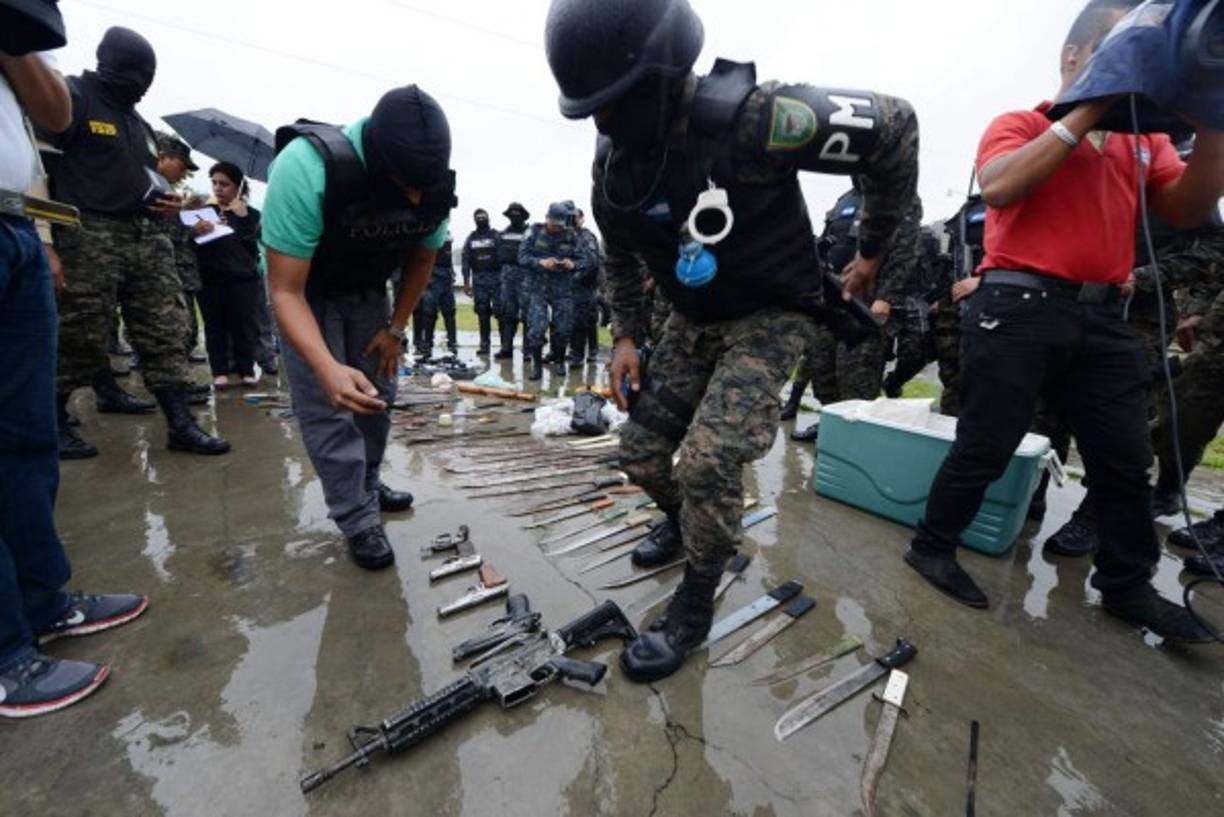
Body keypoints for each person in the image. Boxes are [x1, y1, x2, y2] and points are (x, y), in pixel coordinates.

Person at [545, 0, 919, 681]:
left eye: (617, 103)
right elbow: (619, 253)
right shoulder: (617, 168)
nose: (604, 121)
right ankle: (691, 526)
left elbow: (896, 129)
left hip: (771, 314)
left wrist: (870, 250)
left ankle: (696, 598)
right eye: (593, 109)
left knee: (709, 462)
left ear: (663, 74)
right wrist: (624, 335)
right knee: (640, 452)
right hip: (692, 321)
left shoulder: (759, 118)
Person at [902, 0, 1223, 644]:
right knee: (988, 442)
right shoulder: (1021, 122)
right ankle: (932, 546)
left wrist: (1213, 122)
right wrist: (1092, 104)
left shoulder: (1146, 142)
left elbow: (1186, 209)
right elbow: (1000, 187)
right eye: (1114, 48)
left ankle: (1126, 580)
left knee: (1124, 456)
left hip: (1103, 315)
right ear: (1072, 57)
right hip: (1017, 307)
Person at [1, 40, 148, 719]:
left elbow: (52, 116)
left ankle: (43, 603)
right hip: (29, 232)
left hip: (12, 223)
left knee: (27, 440)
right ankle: (5, 653)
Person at [264, 85, 453, 570]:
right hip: (309, 295)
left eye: (423, 188)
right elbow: (284, 290)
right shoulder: (305, 168)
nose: (415, 198)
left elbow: (423, 257)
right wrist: (326, 366)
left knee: (376, 397)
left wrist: (396, 329)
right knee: (331, 405)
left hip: (370, 292)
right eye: (405, 186)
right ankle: (356, 517)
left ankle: (366, 485)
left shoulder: (431, 181)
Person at [42, 26, 230, 459]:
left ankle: (181, 424)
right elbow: (41, 167)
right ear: (111, 64)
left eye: (150, 78)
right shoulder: (72, 97)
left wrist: (165, 200)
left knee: (165, 328)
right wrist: (46, 238)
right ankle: (53, 422)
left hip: (146, 235)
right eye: (139, 75)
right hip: (88, 234)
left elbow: (138, 175)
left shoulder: (137, 121)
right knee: (80, 331)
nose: (144, 86)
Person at [789, 191, 922, 443]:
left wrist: (887, 296)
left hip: (868, 303)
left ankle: (854, 442)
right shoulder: (844, 200)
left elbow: (906, 249)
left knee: (856, 379)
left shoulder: (896, 193)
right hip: (830, 300)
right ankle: (832, 428)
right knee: (822, 372)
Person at [195, 161, 263, 388]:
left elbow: (253, 248)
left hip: (242, 279)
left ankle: (246, 370)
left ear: (238, 187)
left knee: (243, 326)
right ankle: (219, 371)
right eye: (214, 183)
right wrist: (196, 230)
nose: (218, 188)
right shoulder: (204, 214)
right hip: (209, 278)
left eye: (224, 184)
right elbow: (192, 244)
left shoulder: (251, 214)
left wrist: (242, 219)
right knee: (214, 326)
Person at [152, 132, 208, 364]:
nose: (184, 173)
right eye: (182, 166)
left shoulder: (163, 189)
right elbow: (160, 233)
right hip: (161, 272)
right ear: (163, 157)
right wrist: (189, 226)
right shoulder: (147, 186)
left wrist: (184, 212)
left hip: (177, 271)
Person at [494, 201, 531, 360]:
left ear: (523, 216)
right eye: (511, 214)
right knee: (508, 314)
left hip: (525, 278)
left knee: (527, 315)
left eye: (517, 214)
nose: (514, 216)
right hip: (507, 279)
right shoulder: (502, 234)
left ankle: (528, 350)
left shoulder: (530, 234)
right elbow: (497, 256)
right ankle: (506, 348)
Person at [461, 208, 501, 356]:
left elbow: (504, 256)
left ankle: (505, 345)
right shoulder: (471, 238)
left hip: (497, 279)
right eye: (478, 217)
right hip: (479, 280)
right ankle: (484, 344)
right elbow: (465, 260)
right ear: (475, 220)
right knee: (482, 312)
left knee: (501, 312)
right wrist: (466, 282)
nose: (481, 219)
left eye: (483, 217)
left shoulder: (496, 235)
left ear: (488, 218)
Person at [568, 207, 603, 368]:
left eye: (576, 217)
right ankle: (576, 351)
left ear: (582, 218)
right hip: (571, 286)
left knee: (584, 320)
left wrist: (576, 277)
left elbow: (591, 263)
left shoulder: (586, 236)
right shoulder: (566, 236)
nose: (573, 220)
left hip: (584, 285)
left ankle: (581, 354)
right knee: (575, 320)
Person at [416, 233, 458, 358]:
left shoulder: (448, 234)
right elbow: (422, 255)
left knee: (449, 311)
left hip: (447, 276)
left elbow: (448, 257)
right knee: (429, 312)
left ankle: (452, 343)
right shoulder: (430, 232)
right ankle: (427, 344)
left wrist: (452, 273)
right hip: (433, 275)